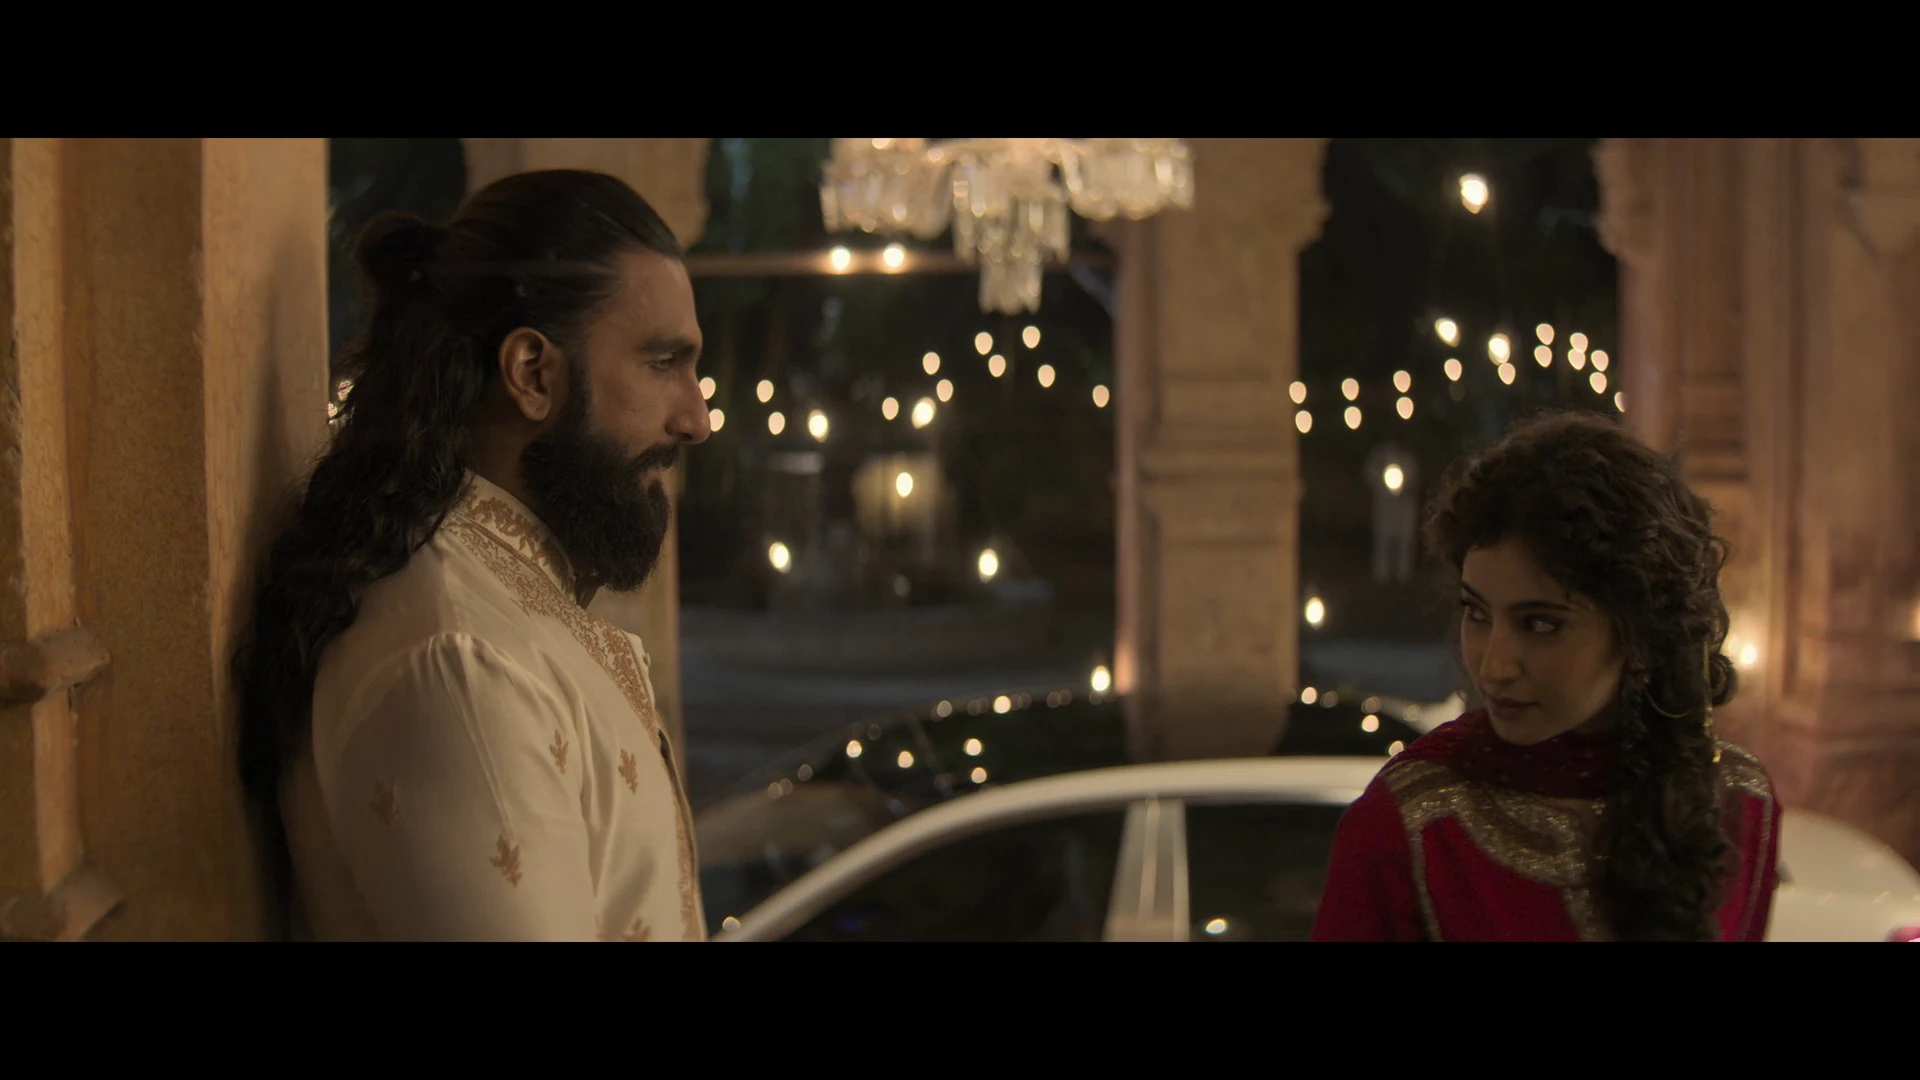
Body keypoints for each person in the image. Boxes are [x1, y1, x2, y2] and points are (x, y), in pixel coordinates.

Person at [234, 170, 712, 941]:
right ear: (531, 373)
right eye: (664, 363)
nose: (696, 418)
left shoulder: (507, 609)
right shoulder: (461, 661)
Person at [1312, 411, 1781, 941]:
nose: (1495, 666)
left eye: (1539, 624)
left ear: (1639, 632)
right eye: (1477, 613)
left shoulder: (1737, 806)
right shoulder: (1412, 826)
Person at [1363, 440, 1419, 584]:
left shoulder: (1407, 459)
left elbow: (1413, 479)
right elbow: (1369, 475)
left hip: (1403, 505)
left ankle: (1403, 577)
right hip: (1385, 505)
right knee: (1383, 540)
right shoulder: (1379, 458)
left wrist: (1406, 488)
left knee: (1404, 540)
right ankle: (1382, 577)